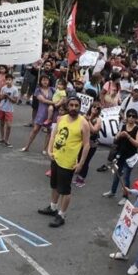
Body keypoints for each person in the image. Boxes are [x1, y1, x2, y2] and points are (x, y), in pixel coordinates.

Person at [38, 96, 90, 228]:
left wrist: (81, 164)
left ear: (80, 107)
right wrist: (50, 150)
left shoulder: (83, 123)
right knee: (55, 185)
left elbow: (87, 145)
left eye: (76, 106)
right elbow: (54, 135)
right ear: (67, 106)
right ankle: (53, 207)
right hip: (56, 158)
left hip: (69, 162)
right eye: (71, 105)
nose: (74, 108)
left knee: (65, 190)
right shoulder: (61, 118)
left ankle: (61, 215)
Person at [103, 109, 138, 201]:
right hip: (120, 155)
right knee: (117, 174)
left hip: (130, 157)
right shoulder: (123, 126)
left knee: (126, 177)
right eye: (129, 115)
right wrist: (120, 135)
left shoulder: (137, 129)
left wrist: (128, 136)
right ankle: (112, 191)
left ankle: (125, 197)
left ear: (136, 118)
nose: (131, 118)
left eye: (133, 116)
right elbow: (115, 138)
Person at [22, 75, 55, 154]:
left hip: (51, 113)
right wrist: (55, 103)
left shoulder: (52, 89)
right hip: (41, 113)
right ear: (40, 81)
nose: (45, 81)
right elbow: (43, 100)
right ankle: (27, 146)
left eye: (46, 80)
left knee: (49, 131)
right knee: (35, 130)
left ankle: (45, 149)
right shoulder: (38, 90)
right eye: (43, 80)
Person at [0, 75, 18, 147]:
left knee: (9, 125)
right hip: (2, 108)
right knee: (2, 124)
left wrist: (8, 97)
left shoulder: (15, 89)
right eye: (7, 80)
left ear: (12, 80)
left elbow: (15, 101)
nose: (8, 81)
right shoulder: (3, 88)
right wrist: (3, 96)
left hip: (9, 109)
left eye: (9, 80)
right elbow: (0, 98)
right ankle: (2, 138)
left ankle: (6, 140)